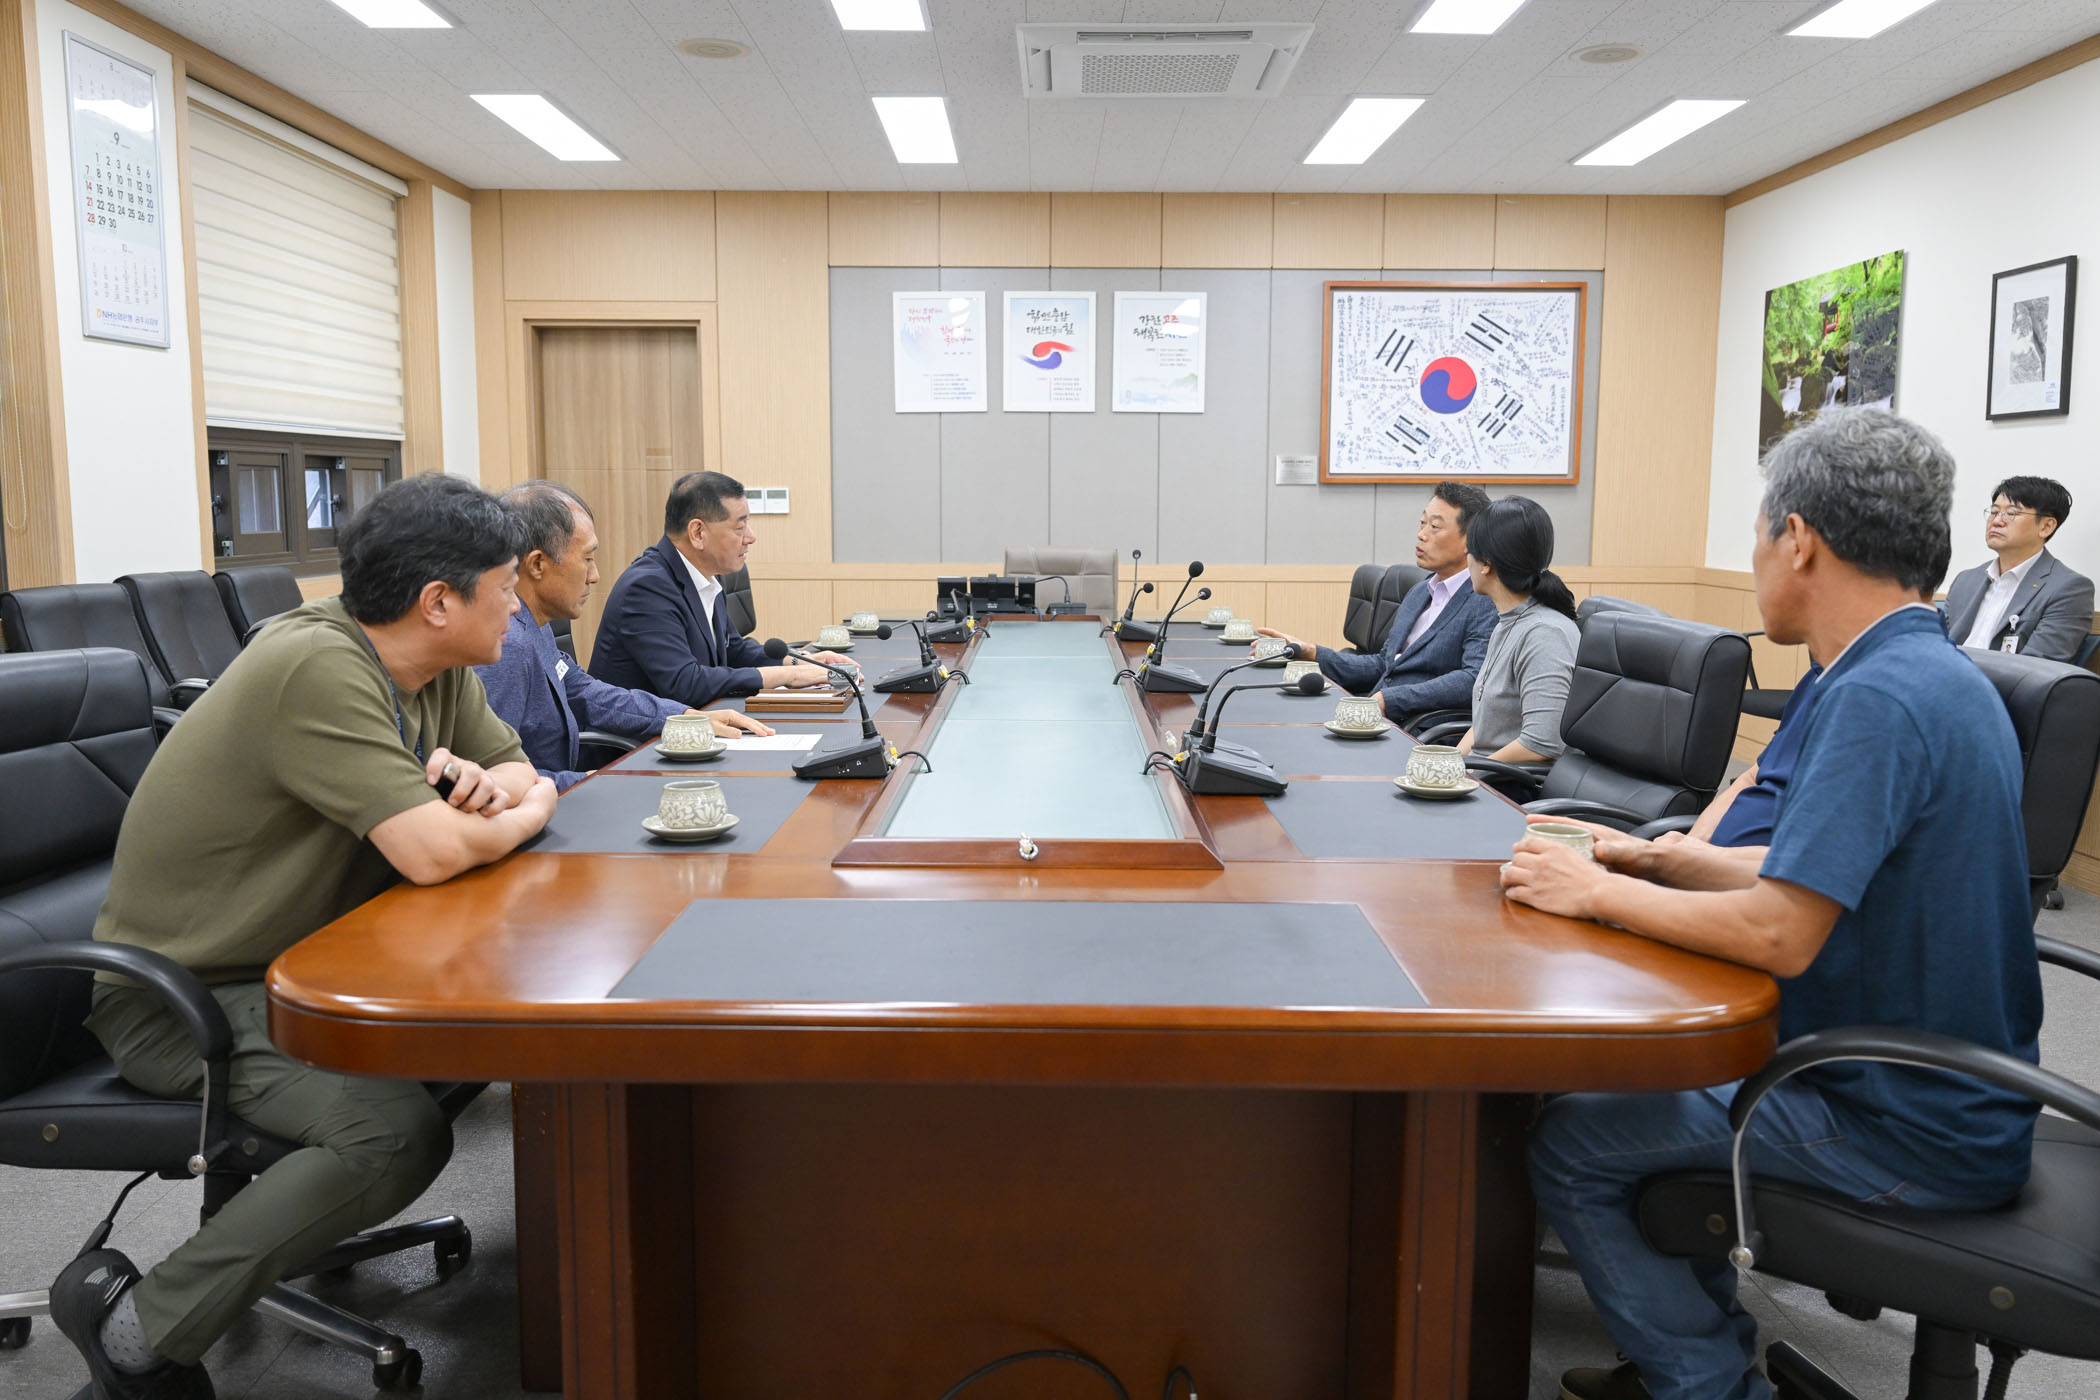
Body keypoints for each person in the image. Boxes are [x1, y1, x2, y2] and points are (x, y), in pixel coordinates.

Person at [1504, 408, 2041, 1400]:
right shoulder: (1912, 668)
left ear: (1798, 538)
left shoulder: (1879, 696)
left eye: (1757, 535)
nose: (1755, 560)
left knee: (1573, 1140)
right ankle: (1698, 1356)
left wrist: (1598, 894)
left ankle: (1708, 1382)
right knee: (1622, 1102)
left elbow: (1780, 933)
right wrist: (1660, 861)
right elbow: (1817, 871)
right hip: (1936, 1085)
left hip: (1902, 1120)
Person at [54, 475, 558, 1400]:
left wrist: (505, 793)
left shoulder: (435, 667)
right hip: (182, 1001)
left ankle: (272, 1235)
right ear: (438, 602)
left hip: (303, 968)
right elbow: (438, 852)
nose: (518, 604)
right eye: (502, 587)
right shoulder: (315, 664)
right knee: (392, 1137)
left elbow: (517, 767)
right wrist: (520, 813)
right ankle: (138, 1328)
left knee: (466, 1043)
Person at [476, 481, 772, 791]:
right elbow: (493, 782)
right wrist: (595, 781)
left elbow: (586, 692)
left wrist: (683, 716)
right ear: (537, 564)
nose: (595, 576)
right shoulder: (507, 646)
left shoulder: (534, 626)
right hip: (548, 807)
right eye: (587, 559)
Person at [1255, 481, 1498, 721]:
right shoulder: (1420, 592)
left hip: (1420, 729)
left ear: (1471, 541)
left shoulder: (1484, 599)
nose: (1421, 535)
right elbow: (1385, 665)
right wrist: (1313, 653)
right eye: (1422, 523)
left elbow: (1473, 679)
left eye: (1434, 527)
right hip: (1376, 716)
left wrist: (1392, 700)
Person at [1453, 495, 1581, 762]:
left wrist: (1469, 773)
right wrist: (1451, 762)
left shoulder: (1545, 634)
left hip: (1507, 781)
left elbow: (1541, 745)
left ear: (1486, 563)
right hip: (1485, 773)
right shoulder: (1509, 621)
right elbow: (1486, 726)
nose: (1466, 559)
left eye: (1469, 551)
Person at [1941, 475, 2092, 662]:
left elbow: (2035, 668)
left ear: (2046, 526)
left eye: (2011, 513)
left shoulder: (2069, 589)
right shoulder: (1965, 580)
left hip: (1997, 682)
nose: (1997, 521)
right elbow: (1935, 645)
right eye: (1994, 512)